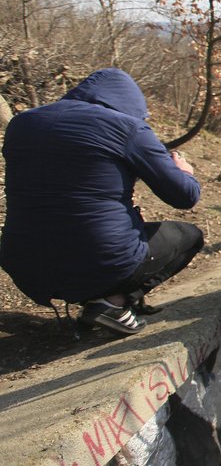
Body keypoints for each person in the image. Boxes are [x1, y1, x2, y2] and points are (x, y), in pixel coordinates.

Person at [0, 68, 203, 336]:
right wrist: (183, 172)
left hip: (23, 264)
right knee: (189, 236)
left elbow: (70, 177)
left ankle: (98, 299)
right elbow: (184, 196)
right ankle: (112, 304)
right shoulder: (128, 128)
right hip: (100, 260)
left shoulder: (22, 123)